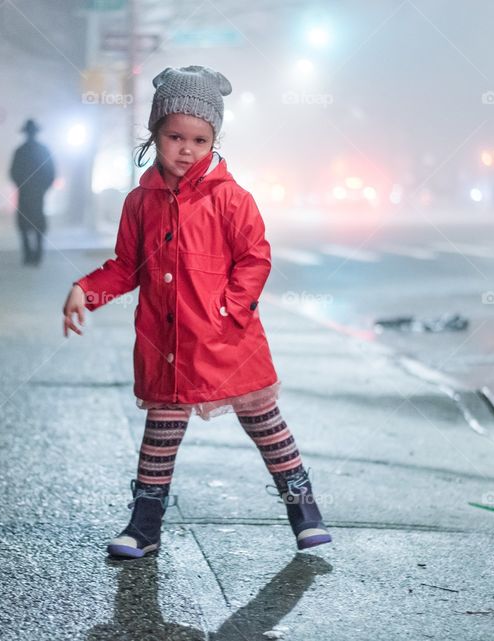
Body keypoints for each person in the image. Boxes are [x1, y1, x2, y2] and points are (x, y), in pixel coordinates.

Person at [61, 65, 331, 558]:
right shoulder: (140, 203)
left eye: (200, 140)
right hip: (166, 344)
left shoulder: (231, 199)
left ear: (214, 140)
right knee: (160, 435)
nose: (186, 149)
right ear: (155, 134)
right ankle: (144, 526)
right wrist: (86, 289)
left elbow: (255, 257)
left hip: (228, 340)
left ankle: (302, 508)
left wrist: (232, 310)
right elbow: (126, 266)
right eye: (174, 136)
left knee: (265, 423)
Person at [10, 119, 55, 266]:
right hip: (36, 193)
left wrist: (23, 186)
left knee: (25, 224)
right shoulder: (43, 150)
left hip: (27, 192)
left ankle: (29, 254)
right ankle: (36, 254)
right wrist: (42, 188)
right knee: (36, 223)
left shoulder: (20, 151)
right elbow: (51, 173)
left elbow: (13, 172)